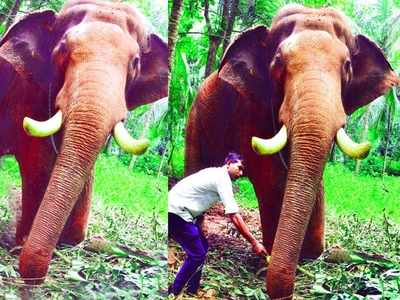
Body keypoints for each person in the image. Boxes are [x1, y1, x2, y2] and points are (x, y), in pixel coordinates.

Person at [168, 152, 268, 296]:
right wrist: (254, 243)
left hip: (182, 212)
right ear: (228, 163)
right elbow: (234, 215)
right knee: (197, 255)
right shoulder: (222, 178)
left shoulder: (215, 173)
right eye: (239, 167)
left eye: (243, 171)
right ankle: (174, 292)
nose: (240, 173)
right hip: (176, 212)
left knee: (202, 247)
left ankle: (191, 289)